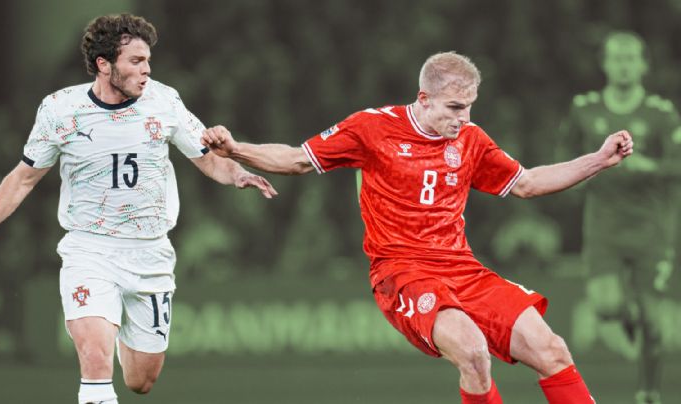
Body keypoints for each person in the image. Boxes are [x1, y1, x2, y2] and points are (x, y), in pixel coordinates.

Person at [201, 51, 634, 404]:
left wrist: (598, 159)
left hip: (461, 268)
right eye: (454, 108)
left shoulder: (470, 140)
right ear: (423, 99)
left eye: (469, 107)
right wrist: (237, 149)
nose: (463, 118)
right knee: (473, 351)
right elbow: (297, 159)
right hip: (402, 272)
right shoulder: (372, 129)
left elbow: (527, 183)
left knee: (552, 349)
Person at [0, 14, 277, 404]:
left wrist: (237, 175)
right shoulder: (60, 111)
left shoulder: (164, 101)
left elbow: (208, 158)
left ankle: (124, 337)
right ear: (104, 65)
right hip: (89, 249)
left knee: (141, 380)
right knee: (95, 358)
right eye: (136, 61)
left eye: (148, 61)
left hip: (150, 253)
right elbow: (23, 178)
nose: (146, 71)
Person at [560, 31, 681, 404]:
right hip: (604, 227)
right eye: (617, 58)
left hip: (651, 229)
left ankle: (648, 392)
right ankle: (628, 312)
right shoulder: (585, 109)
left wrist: (646, 167)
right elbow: (565, 154)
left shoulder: (661, 113)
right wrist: (578, 177)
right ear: (606, 64)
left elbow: (677, 165)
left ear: (643, 65)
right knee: (606, 306)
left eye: (631, 58)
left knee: (653, 319)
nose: (624, 65)